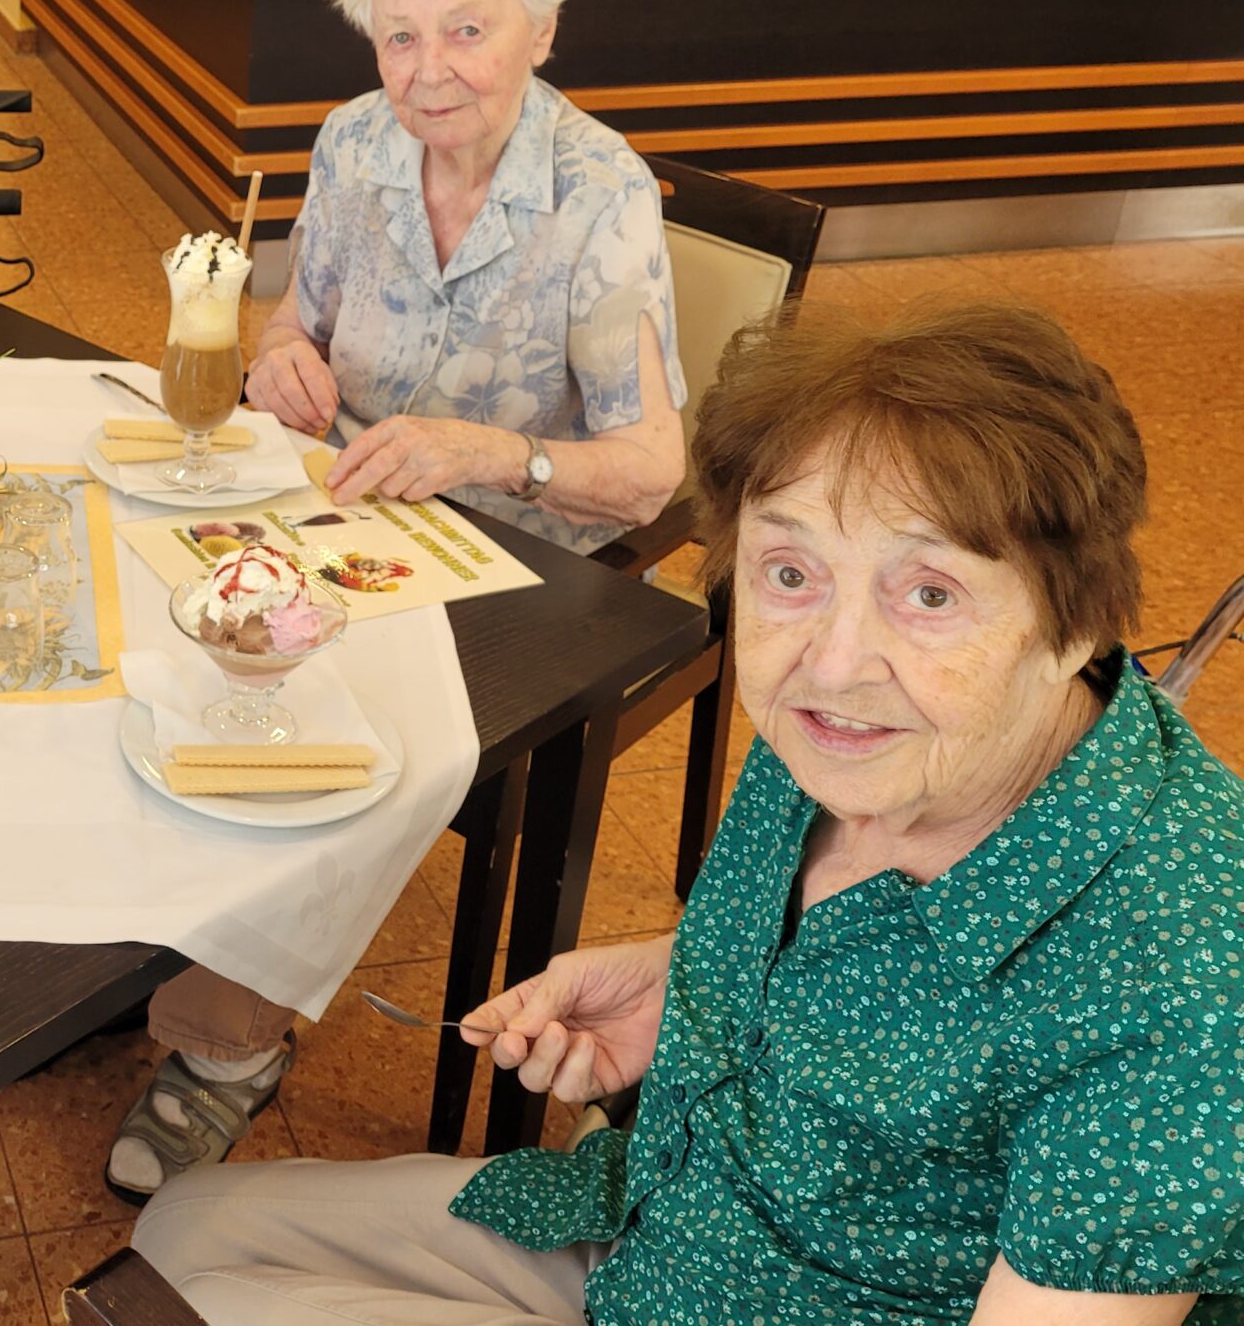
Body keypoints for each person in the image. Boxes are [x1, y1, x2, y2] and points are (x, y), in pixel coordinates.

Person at [134, 300, 1244, 1324]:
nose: (832, 663)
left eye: (930, 593)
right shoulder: (858, 741)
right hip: (659, 1220)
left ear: (1076, 627)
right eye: (790, 571)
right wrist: (683, 978)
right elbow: (881, 974)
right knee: (179, 1233)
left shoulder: (1183, 979)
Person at [107, 0, 685, 1203]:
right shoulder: (354, 143)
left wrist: (487, 452)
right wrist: (282, 360)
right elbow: (291, 319)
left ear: (541, 29)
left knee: (286, 701)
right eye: (399, 34)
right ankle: (148, 928)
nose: (428, 72)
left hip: (509, 570)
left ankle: (227, 1041)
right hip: (337, 506)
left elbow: (650, 475)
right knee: (143, 615)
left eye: (466, 30)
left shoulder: (599, 194)